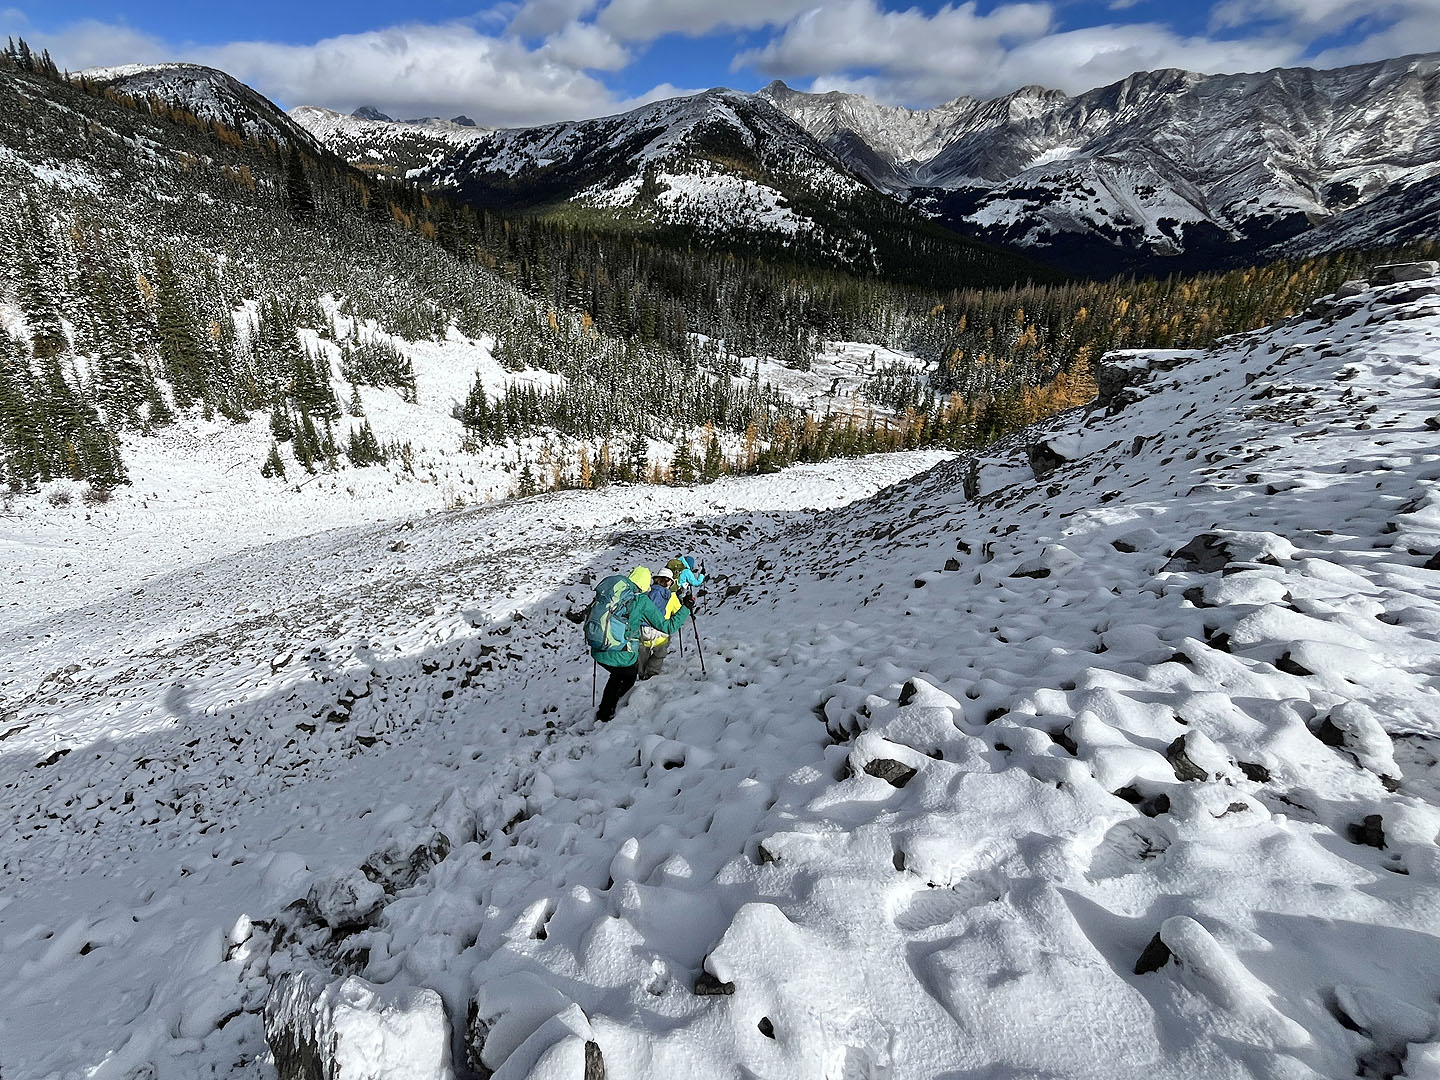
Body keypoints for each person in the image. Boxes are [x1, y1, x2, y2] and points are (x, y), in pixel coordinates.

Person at [591, 566, 691, 723]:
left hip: (599, 647)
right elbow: (668, 627)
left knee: (617, 676)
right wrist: (686, 608)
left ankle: (606, 709)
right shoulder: (641, 601)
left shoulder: (615, 593)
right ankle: (608, 711)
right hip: (621, 653)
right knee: (628, 676)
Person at [638, 565, 682, 680]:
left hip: (644, 631)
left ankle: (641, 673)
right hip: (662, 632)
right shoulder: (671, 596)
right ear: (670, 582)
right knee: (659, 654)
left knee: (642, 653)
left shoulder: (647, 592)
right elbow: (678, 611)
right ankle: (651, 672)